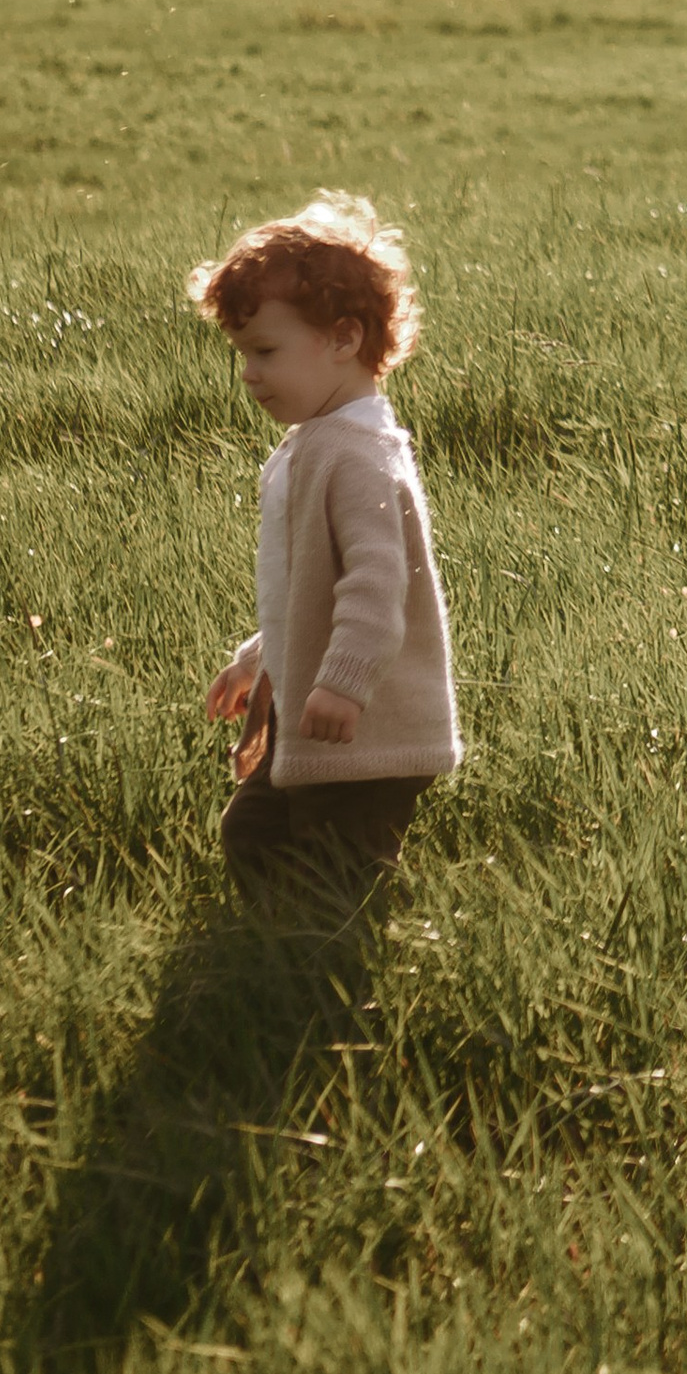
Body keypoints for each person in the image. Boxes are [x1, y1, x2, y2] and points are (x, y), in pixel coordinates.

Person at [189, 193, 462, 907]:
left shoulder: (357, 455)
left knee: (339, 869)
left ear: (342, 339)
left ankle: (340, 972)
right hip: (319, 712)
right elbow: (309, 581)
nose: (248, 373)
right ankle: (276, 947)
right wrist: (264, 654)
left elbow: (377, 583)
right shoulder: (316, 442)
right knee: (255, 832)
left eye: (266, 351)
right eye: (243, 354)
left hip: (362, 726)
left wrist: (342, 679)